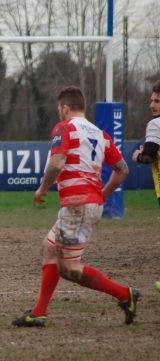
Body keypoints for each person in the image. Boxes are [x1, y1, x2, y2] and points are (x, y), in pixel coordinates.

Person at [12, 86, 136, 328]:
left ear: (65, 108)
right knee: (49, 247)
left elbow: (57, 164)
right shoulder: (100, 134)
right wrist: (101, 195)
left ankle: (125, 294)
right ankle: (39, 312)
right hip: (84, 205)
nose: (59, 112)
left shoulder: (64, 127)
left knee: (69, 268)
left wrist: (42, 188)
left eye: (60, 108)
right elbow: (123, 169)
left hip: (78, 206)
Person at [131, 80, 160, 206]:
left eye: (157, 101)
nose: (151, 105)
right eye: (152, 100)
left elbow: (148, 158)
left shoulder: (155, 124)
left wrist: (138, 156)